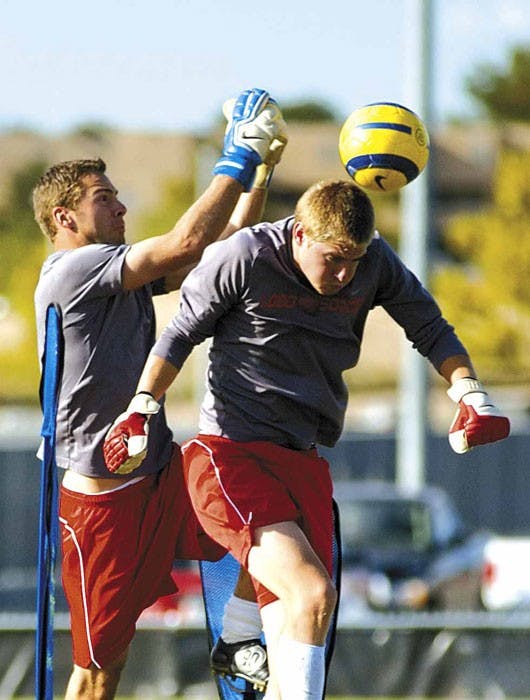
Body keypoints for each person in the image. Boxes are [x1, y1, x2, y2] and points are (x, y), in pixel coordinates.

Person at [104, 179, 511, 700]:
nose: (345, 275)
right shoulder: (244, 255)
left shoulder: (375, 263)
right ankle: (236, 636)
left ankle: (234, 636)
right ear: (300, 233)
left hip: (303, 459)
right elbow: (179, 335)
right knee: (313, 592)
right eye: (334, 258)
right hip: (229, 455)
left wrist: (469, 392)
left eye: (355, 260)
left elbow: (430, 326)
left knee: (298, 630)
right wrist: (142, 407)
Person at [33, 87, 286, 700]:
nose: (121, 205)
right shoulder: (72, 270)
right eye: (104, 198)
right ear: (65, 218)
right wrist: (234, 154)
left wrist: (258, 172)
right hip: (104, 501)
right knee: (98, 672)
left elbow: (217, 251)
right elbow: (184, 244)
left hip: (158, 471)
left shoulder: (113, 272)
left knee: (271, 524)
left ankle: (238, 639)